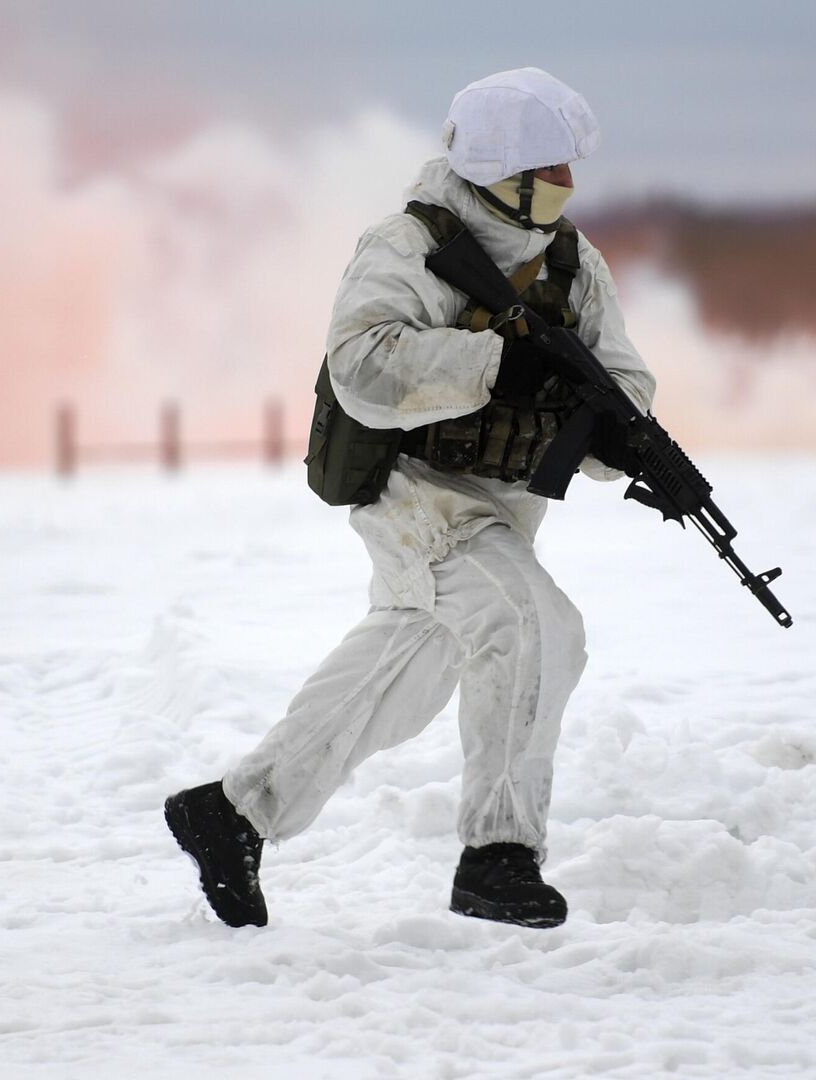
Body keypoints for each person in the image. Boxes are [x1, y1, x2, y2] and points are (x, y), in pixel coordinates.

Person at [165, 68, 654, 929]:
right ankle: (499, 856)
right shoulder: (408, 246)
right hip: (414, 493)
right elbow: (362, 365)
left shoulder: (573, 262)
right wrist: (496, 364)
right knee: (536, 625)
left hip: (502, 505)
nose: (572, 187)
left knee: (401, 678)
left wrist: (620, 433)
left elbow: (623, 377)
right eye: (556, 171)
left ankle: (235, 812)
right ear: (509, 176)